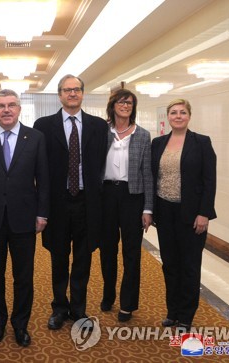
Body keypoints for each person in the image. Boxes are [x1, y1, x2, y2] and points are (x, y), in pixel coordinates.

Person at [0, 89, 49, 347]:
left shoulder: (35, 137)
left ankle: (20, 324)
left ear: (19, 109)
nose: (6, 110)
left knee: (23, 276)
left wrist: (42, 213)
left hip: (25, 218)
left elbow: (44, 180)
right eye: (1, 105)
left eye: (11, 105)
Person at [33, 74, 108, 330]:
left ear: (83, 93)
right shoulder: (43, 125)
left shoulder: (98, 126)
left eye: (76, 89)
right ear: (60, 95)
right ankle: (58, 307)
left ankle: (78, 309)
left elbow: (101, 164)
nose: (72, 94)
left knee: (83, 258)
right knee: (59, 256)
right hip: (57, 202)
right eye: (67, 90)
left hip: (87, 202)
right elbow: (39, 167)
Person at [151, 99, 217, 331]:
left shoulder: (201, 142)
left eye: (182, 112)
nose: (178, 116)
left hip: (191, 214)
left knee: (189, 265)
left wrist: (204, 213)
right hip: (164, 212)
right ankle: (173, 312)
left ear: (189, 116)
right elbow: (152, 178)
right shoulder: (158, 143)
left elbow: (210, 181)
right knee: (169, 264)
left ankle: (186, 316)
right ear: (167, 117)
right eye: (173, 113)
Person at [99, 89, 153, 322]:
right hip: (106, 196)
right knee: (107, 250)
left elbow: (148, 173)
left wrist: (148, 208)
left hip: (133, 197)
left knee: (131, 253)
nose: (125, 105)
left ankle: (128, 304)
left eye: (129, 102)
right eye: (121, 102)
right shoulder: (102, 131)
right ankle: (108, 294)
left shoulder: (142, 135)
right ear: (113, 105)